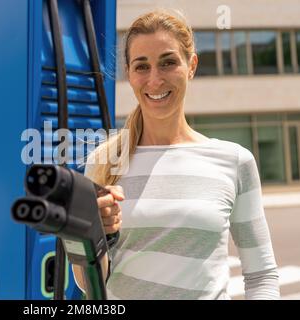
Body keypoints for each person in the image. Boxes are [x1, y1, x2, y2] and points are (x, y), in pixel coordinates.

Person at [72, 9, 280, 300]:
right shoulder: (103, 160)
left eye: (168, 62)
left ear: (191, 65)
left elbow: (261, 275)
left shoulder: (234, 161)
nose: (154, 80)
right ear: (129, 73)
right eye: (141, 66)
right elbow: (87, 282)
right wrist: (87, 233)